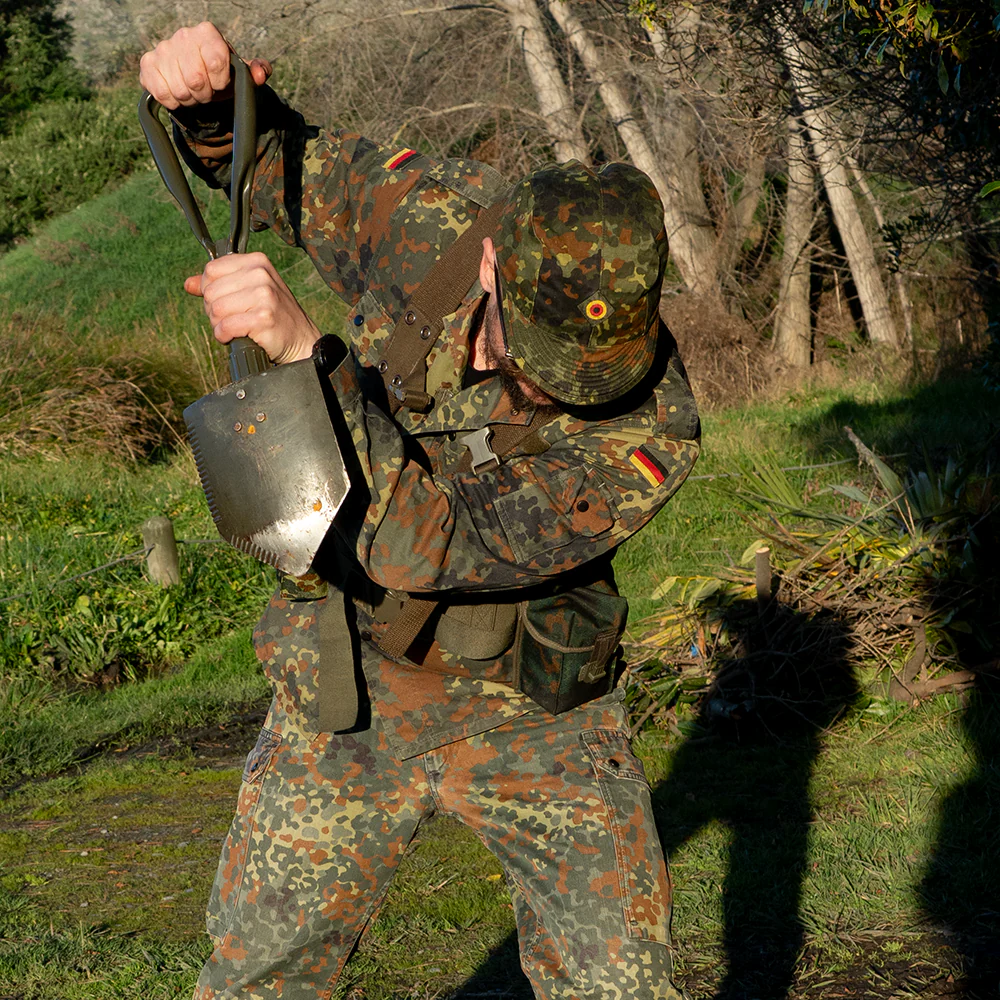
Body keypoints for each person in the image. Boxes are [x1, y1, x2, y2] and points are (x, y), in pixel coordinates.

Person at [140, 21, 700, 1000]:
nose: (553, 391)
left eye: (583, 378)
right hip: (350, 673)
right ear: (490, 265)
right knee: (259, 976)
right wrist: (210, 104)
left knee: (620, 986)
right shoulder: (440, 219)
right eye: (535, 352)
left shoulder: (652, 432)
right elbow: (281, 168)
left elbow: (431, 542)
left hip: (540, 704)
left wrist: (305, 361)